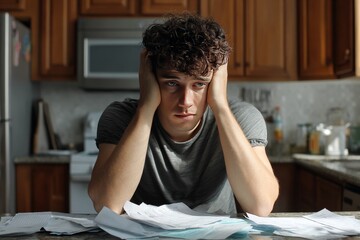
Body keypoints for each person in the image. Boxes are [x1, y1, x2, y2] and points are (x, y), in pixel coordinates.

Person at [88, 13, 279, 216]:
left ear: (215, 81)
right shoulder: (121, 117)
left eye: (199, 84)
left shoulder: (242, 118)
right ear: (150, 79)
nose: (185, 101)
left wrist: (220, 106)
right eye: (172, 83)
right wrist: (146, 108)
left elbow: (261, 205)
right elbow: (106, 206)